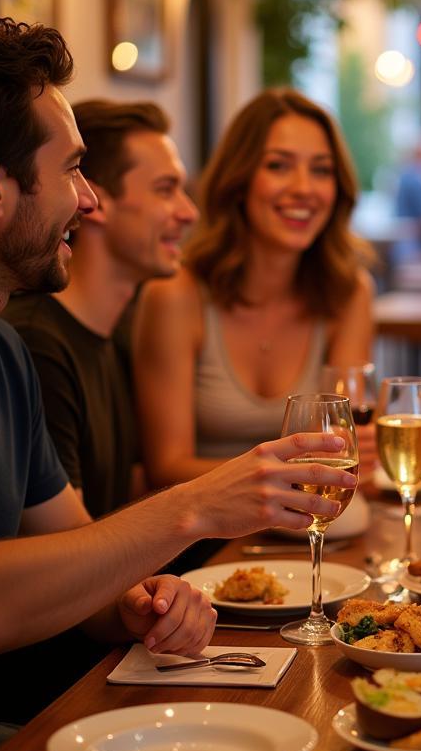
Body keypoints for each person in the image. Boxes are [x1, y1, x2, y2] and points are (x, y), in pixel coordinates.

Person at [0, 13, 355, 751]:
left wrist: (141, 600)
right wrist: (193, 509)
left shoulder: (2, 355)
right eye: (75, 172)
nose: (90, 201)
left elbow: (81, 556)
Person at [135, 89, 375, 488]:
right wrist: (291, 473)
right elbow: (166, 467)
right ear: (239, 179)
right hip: (204, 542)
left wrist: (365, 448)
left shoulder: (349, 293)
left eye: (321, 170)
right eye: (279, 165)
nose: (303, 188)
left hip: (311, 524)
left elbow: (346, 452)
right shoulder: (177, 294)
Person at [3, 100, 198, 518]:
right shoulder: (37, 345)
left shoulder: (115, 332)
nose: (189, 212)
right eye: (165, 189)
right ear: (98, 202)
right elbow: (68, 554)